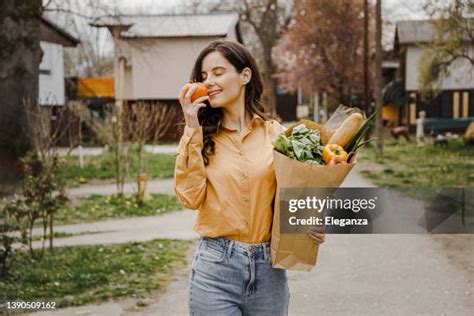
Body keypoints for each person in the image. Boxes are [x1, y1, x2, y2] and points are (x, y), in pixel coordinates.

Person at [174, 40, 325, 316]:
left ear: (245, 75)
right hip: (216, 267)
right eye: (204, 77)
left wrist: (307, 221)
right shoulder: (201, 136)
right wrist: (191, 128)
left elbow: (296, 191)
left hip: (269, 268)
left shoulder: (275, 134)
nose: (209, 83)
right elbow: (189, 197)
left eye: (218, 73)